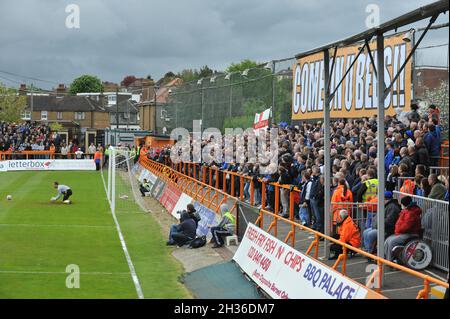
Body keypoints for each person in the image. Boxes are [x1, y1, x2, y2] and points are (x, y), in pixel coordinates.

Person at [384, 196, 422, 262]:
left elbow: (406, 226)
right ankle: (387, 258)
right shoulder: (407, 211)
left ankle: (390, 260)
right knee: (388, 240)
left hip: (410, 233)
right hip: (404, 232)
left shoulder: (411, 212)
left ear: (404, 204)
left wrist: (398, 230)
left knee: (392, 242)